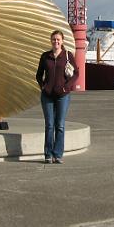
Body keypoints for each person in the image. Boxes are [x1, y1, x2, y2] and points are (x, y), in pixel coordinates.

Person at [36, 30, 79, 164]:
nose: (56, 41)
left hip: (63, 95)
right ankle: (48, 154)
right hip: (47, 96)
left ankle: (58, 154)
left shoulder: (67, 55)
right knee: (49, 125)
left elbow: (76, 74)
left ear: (62, 41)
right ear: (51, 41)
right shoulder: (45, 56)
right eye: (54, 39)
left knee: (60, 125)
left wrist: (67, 87)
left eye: (58, 39)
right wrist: (43, 86)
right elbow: (38, 75)